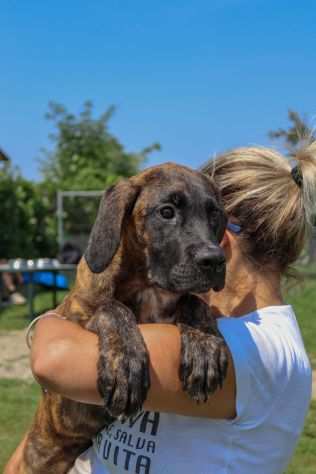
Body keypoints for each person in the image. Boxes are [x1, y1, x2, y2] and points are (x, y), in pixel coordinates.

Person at [5, 142, 315, 474]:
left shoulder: (254, 350)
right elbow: (50, 430)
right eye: (168, 214)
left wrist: (54, 316)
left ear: (220, 236)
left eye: (208, 215)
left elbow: (53, 357)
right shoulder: (241, 328)